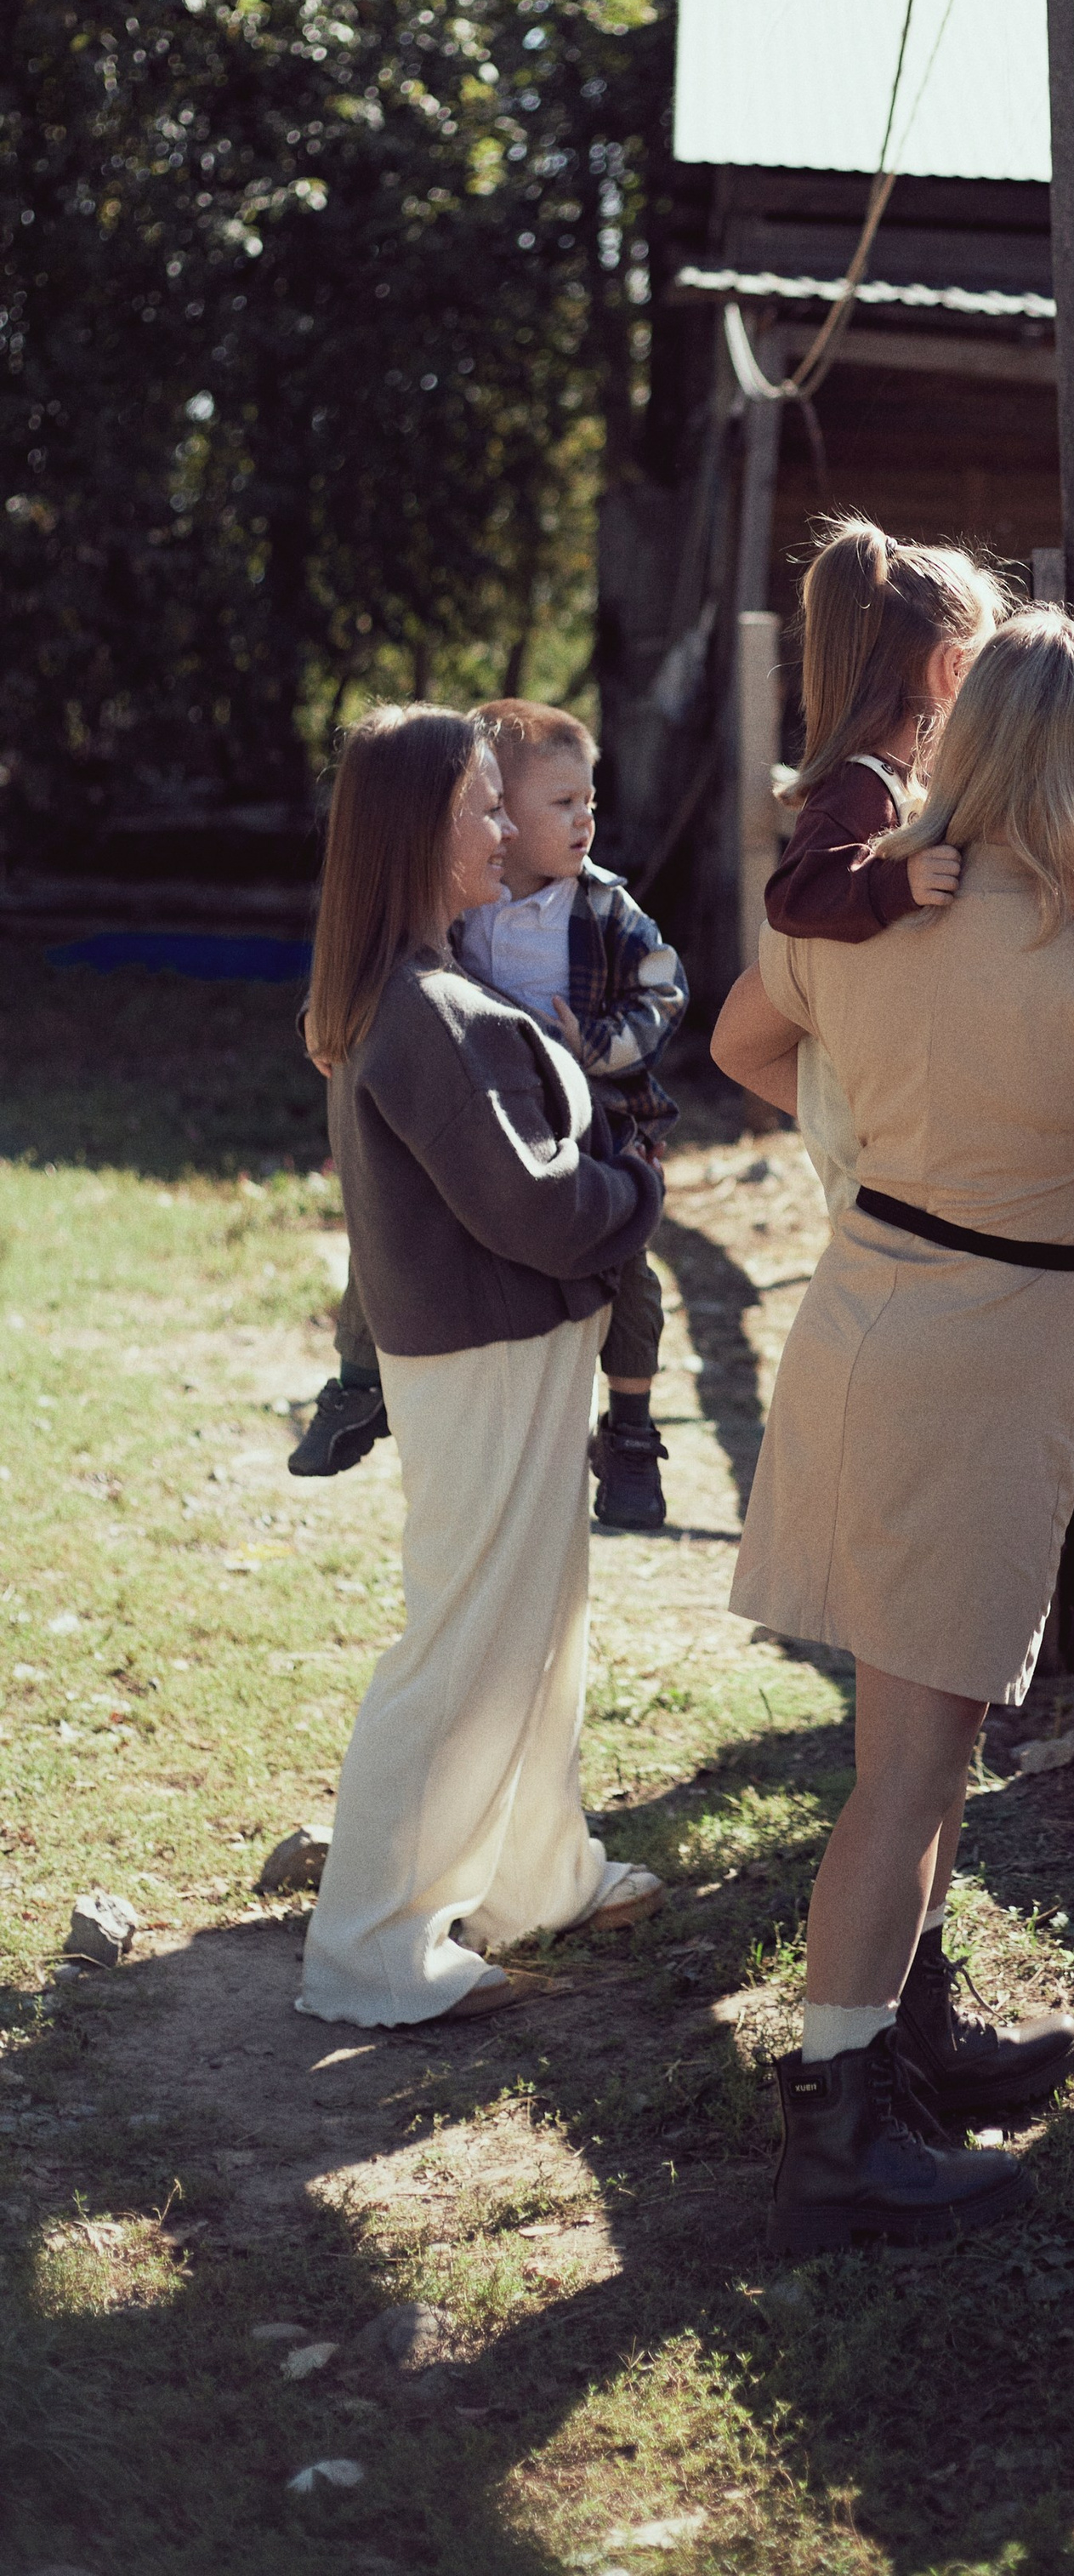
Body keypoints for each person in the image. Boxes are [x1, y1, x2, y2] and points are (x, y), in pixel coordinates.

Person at [713, 613, 1074, 2253]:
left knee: (919, 1750)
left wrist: (894, 1129)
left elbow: (746, 1045)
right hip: (985, 1357)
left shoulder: (871, 909)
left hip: (862, 1306)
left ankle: (896, 2045)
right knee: (910, 1770)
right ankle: (836, 2127)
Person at [296, 704, 665, 2028]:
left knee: (539, 1622)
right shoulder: (430, 1013)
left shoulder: (416, 994)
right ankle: (369, 1945)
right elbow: (531, 1209)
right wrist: (637, 1191)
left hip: (504, 1353)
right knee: (464, 1641)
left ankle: (535, 1875)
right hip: (487, 1356)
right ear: (421, 832)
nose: (508, 829)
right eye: (483, 808)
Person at [765, 519, 1074, 1508]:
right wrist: (894, 886)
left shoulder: (908, 791)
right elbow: (791, 897)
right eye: (985, 655)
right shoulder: (858, 791)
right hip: (868, 1098)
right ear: (947, 669)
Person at [291, 699, 689, 1536]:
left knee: (634, 1286)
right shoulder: (460, 920)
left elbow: (664, 990)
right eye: (531, 806)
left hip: (595, 1121)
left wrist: (602, 1045)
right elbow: (393, 968)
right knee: (377, 1250)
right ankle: (357, 1382)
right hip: (499, 1131)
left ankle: (630, 1430)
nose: (581, 822)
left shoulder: (603, 910)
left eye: (590, 804)